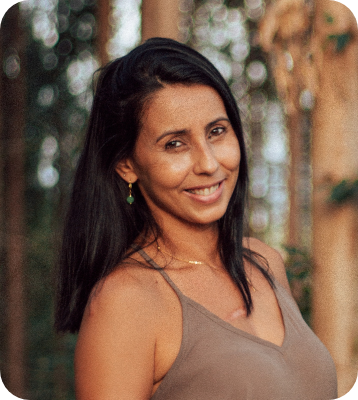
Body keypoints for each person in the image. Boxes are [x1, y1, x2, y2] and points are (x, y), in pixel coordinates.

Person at [55, 38, 337, 399]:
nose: (208, 163)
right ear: (127, 165)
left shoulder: (265, 263)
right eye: (175, 143)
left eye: (217, 131)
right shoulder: (126, 301)